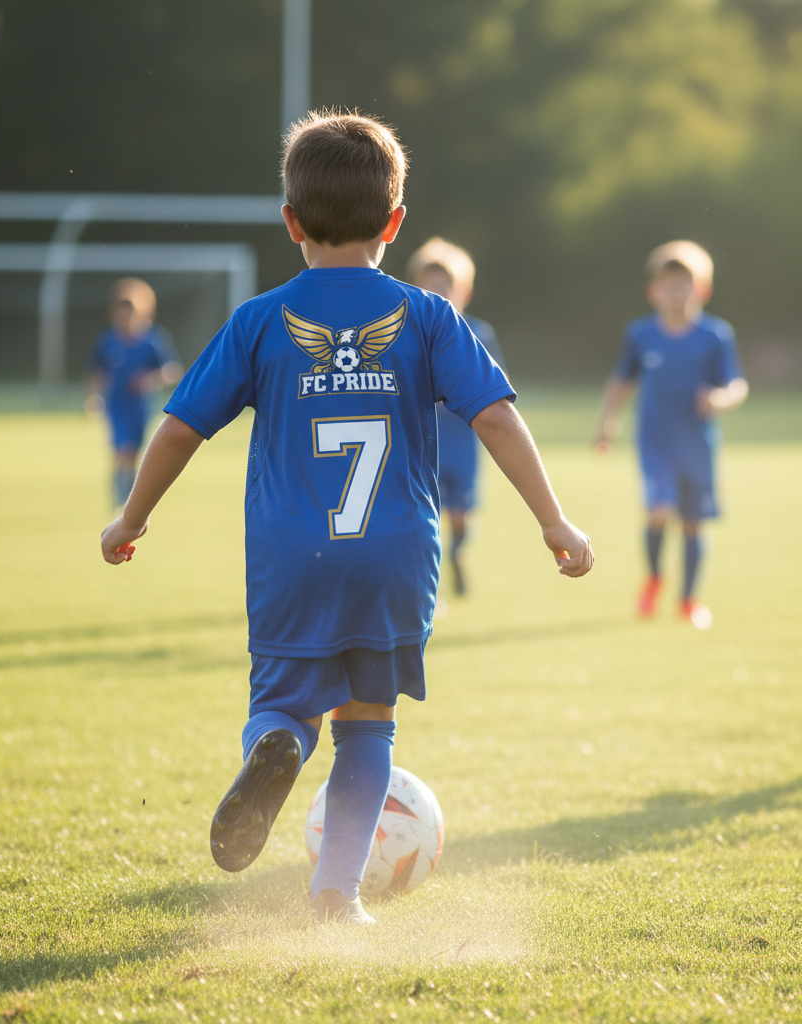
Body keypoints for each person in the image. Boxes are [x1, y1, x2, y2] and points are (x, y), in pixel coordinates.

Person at [100, 111, 594, 924]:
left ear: (290, 222)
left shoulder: (259, 321)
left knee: (286, 702)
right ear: (396, 223)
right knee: (368, 730)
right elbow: (497, 418)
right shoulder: (431, 317)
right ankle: (337, 894)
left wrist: (132, 516)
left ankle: (281, 741)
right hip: (397, 556)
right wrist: (553, 520)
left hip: (293, 557)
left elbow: (181, 426)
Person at [594, 240, 747, 629]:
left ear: (702, 290)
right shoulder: (641, 335)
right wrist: (607, 423)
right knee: (660, 510)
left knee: (694, 523)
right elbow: (621, 383)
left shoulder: (715, 336)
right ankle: (655, 578)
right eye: (668, 285)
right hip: (655, 442)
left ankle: (689, 600)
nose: (676, 293)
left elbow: (736, 385)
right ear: (653, 291)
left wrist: (719, 398)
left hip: (698, 445)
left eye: (684, 285)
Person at [406, 238, 508, 595]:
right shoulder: (408, 333)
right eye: (430, 287)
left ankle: (459, 554)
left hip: (464, 439)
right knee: (428, 516)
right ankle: (429, 585)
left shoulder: (478, 334)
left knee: (463, 511)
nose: (439, 294)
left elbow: (496, 386)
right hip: (424, 440)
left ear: (464, 290)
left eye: (446, 287)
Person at [86, 278, 183, 512]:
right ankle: (121, 503)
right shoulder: (108, 341)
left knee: (135, 454)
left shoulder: (152, 341)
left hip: (142, 406)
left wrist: (149, 379)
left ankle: (128, 498)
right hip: (117, 405)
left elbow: (172, 371)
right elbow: (97, 372)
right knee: (123, 452)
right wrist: (93, 397)